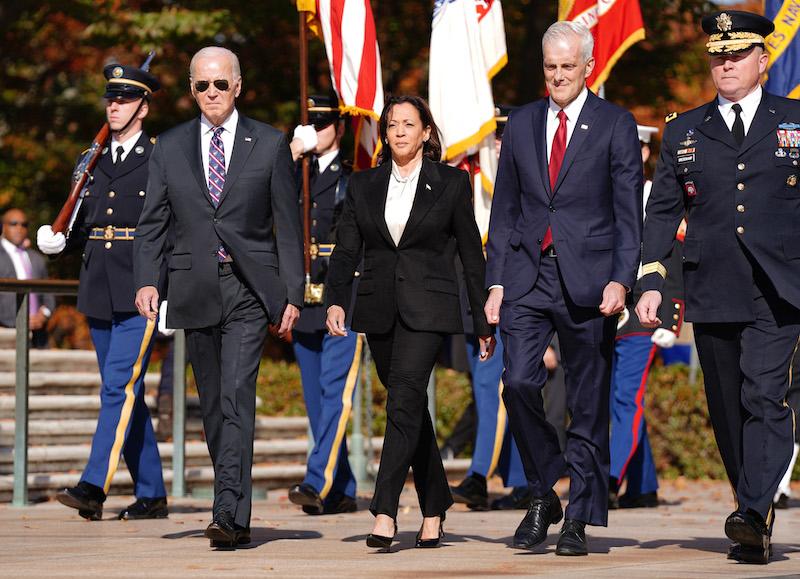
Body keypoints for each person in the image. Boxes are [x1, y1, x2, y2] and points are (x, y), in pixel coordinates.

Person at [636, 10, 800, 564]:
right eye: (717, 56)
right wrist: (653, 277)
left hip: (779, 288)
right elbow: (662, 211)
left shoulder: (795, 120)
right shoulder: (684, 128)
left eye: (736, 54)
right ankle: (751, 510)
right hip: (714, 284)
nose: (725, 63)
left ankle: (752, 510)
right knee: (727, 407)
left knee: (763, 394)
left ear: (762, 60)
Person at [133, 46, 303, 549]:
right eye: (202, 85)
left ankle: (228, 512)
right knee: (211, 407)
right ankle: (232, 504)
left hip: (250, 289)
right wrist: (148, 280)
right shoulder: (169, 147)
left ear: (238, 86)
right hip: (193, 285)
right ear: (191, 89)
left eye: (220, 84)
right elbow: (153, 224)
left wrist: (291, 292)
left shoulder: (269, 144)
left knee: (235, 398)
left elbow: (287, 229)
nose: (212, 93)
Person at [484, 20, 642, 556]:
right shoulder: (524, 122)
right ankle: (546, 489)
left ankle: (577, 516)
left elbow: (627, 214)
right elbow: (505, 210)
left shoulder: (615, 124)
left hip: (591, 279)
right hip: (528, 275)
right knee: (519, 384)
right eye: (550, 67)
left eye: (567, 67)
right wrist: (495, 282)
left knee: (587, 403)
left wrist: (622, 278)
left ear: (587, 67)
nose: (557, 76)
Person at [325, 95, 494, 549]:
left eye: (408, 124)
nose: (399, 131)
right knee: (410, 408)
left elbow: (471, 257)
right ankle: (436, 506)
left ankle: (383, 510)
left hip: (429, 310)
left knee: (401, 403)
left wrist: (482, 321)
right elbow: (346, 250)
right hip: (379, 307)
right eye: (393, 124)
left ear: (426, 132)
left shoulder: (452, 184)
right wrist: (335, 301)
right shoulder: (363, 185)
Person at [36, 63, 168, 521]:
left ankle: (94, 485)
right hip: (96, 284)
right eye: (111, 98)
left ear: (144, 108)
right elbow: (80, 221)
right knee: (123, 389)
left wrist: (169, 288)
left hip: (140, 287)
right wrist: (58, 241)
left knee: (118, 386)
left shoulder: (160, 157)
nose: (114, 105)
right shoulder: (89, 158)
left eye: (125, 99)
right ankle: (151, 492)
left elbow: (173, 228)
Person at [286, 94, 360, 516]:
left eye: (324, 123)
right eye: (310, 123)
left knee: (335, 393)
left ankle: (317, 480)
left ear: (341, 127)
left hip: (341, 294)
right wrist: (293, 153)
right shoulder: (297, 173)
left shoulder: (352, 178)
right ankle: (341, 486)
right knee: (315, 399)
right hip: (304, 297)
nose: (317, 130)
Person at [608, 126, 685, 510]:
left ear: (642, 153)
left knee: (626, 397)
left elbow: (673, 257)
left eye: (633, 148)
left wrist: (672, 319)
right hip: (607, 309)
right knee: (615, 399)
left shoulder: (658, 194)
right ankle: (643, 484)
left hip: (645, 312)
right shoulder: (603, 192)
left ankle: (610, 477)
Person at [0, 208, 55, 348]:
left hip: (38, 336)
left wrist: (43, 315)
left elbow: (49, 295)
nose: (19, 228)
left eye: (24, 224)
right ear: (3, 226)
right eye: (14, 223)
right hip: (6, 333)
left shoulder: (37, 259)